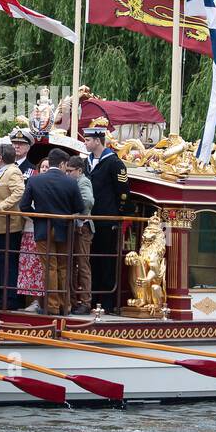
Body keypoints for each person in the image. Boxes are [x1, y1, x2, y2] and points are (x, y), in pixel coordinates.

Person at [17, 147, 84, 314]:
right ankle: (65, 306)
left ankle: (52, 306)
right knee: (63, 267)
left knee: (49, 268)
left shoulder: (35, 180)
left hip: (42, 229)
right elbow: (80, 207)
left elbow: (24, 206)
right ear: (62, 164)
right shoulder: (71, 182)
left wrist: (38, 217)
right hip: (64, 228)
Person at [84, 119, 127, 312]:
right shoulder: (87, 162)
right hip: (90, 219)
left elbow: (123, 191)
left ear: (98, 141)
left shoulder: (114, 163)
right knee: (91, 259)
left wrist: (117, 216)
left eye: (87, 139)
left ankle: (108, 302)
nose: (85, 142)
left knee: (107, 260)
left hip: (107, 219)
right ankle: (92, 299)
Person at [0, 142, 26, 310]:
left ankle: (10, 299)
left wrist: (1, 207)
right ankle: (3, 295)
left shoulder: (13, 171)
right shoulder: (2, 172)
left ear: (0, 157)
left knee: (8, 263)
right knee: (1, 263)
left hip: (8, 226)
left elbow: (19, 192)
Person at [15, 159, 51, 311]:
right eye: (42, 166)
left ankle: (42, 302)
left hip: (44, 231)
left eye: (47, 167)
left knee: (41, 267)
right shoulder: (32, 183)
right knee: (29, 269)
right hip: (30, 229)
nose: (44, 169)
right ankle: (31, 301)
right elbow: (23, 206)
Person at [65, 155, 95, 314]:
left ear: (79, 170)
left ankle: (85, 301)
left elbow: (88, 201)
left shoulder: (83, 181)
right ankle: (73, 300)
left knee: (83, 265)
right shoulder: (74, 181)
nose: (68, 173)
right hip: (75, 227)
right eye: (67, 170)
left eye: (70, 171)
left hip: (82, 227)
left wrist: (76, 213)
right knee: (73, 265)